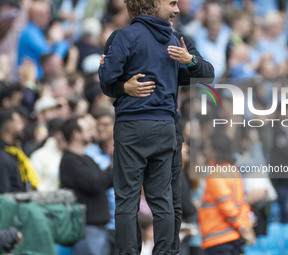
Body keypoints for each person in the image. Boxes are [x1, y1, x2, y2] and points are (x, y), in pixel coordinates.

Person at [99, 2, 214, 254]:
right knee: (164, 200)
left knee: (128, 199)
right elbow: (200, 76)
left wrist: (190, 60)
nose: (177, 9)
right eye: (171, 2)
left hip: (134, 125)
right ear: (152, 3)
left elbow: (107, 80)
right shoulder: (173, 39)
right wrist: (123, 87)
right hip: (164, 127)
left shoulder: (128, 37)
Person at [59, 116, 113, 255]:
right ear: (76, 134)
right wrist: (113, 167)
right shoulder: (70, 161)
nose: (92, 132)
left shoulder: (86, 159)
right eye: (87, 129)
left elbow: (104, 179)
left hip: (99, 228)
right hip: (87, 228)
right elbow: (95, 183)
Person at [84, 108, 117, 255]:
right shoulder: (88, 152)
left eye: (105, 125)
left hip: (124, 220)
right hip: (101, 222)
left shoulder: (127, 149)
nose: (100, 129)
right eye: (98, 125)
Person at [0, 107, 40, 193]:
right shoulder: (2, 156)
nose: (23, 127)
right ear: (9, 128)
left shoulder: (16, 152)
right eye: (19, 123)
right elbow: (4, 195)